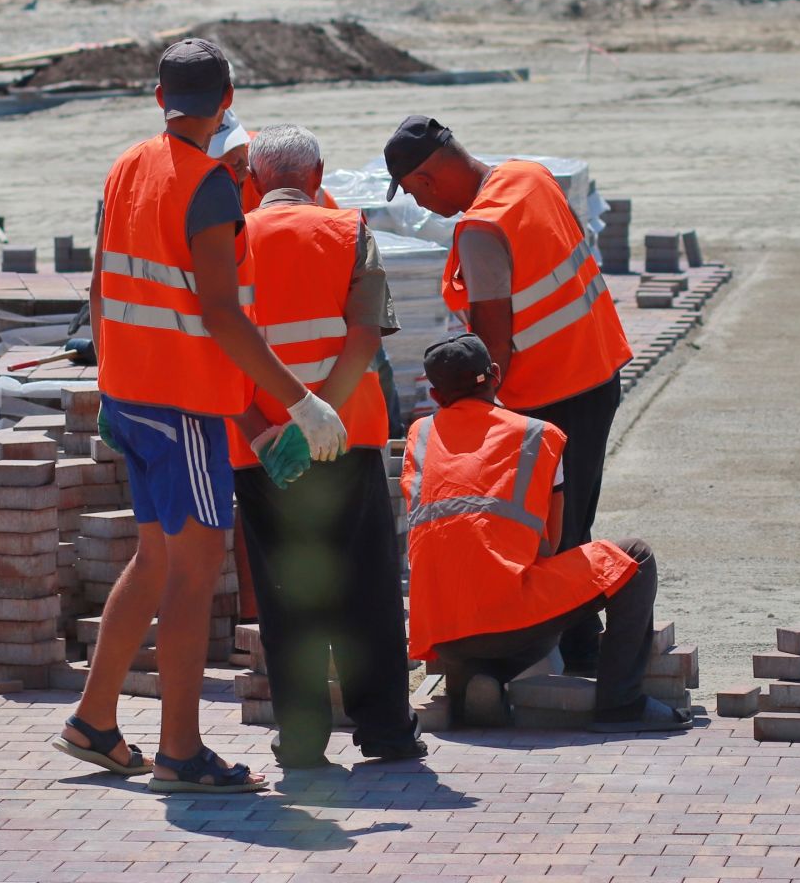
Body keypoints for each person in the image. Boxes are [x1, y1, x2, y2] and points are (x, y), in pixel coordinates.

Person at [53, 38, 350, 793]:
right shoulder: (209, 187)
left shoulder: (127, 167)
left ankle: (93, 720)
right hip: (183, 406)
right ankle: (181, 752)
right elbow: (223, 315)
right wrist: (299, 401)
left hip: (133, 399)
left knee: (155, 562)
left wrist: (113, 391)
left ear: (159, 97)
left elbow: (98, 287)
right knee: (192, 575)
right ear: (227, 100)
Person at [383, 117, 633, 674]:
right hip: (596, 369)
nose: (424, 208)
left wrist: (472, 413)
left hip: (545, 395)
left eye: (419, 194)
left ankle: (570, 653)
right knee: (576, 515)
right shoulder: (529, 176)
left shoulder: (480, 228)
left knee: (552, 529)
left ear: (427, 176)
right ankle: (578, 643)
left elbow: (492, 341)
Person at [224, 124, 425, 769]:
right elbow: (365, 336)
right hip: (348, 440)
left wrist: (271, 428)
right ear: (318, 177)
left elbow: (220, 351)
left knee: (286, 594)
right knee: (367, 586)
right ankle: (388, 732)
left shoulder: (227, 242)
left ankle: (304, 740)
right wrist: (321, 418)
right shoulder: (349, 233)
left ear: (253, 181)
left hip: (260, 450)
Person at [401, 334, 691, 732]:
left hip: (439, 630)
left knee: (480, 608)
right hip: (511, 623)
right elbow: (551, 545)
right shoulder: (537, 435)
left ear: (434, 395)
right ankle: (621, 705)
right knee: (634, 557)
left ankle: (477, 679)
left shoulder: (419, 437)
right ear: (496, 375)